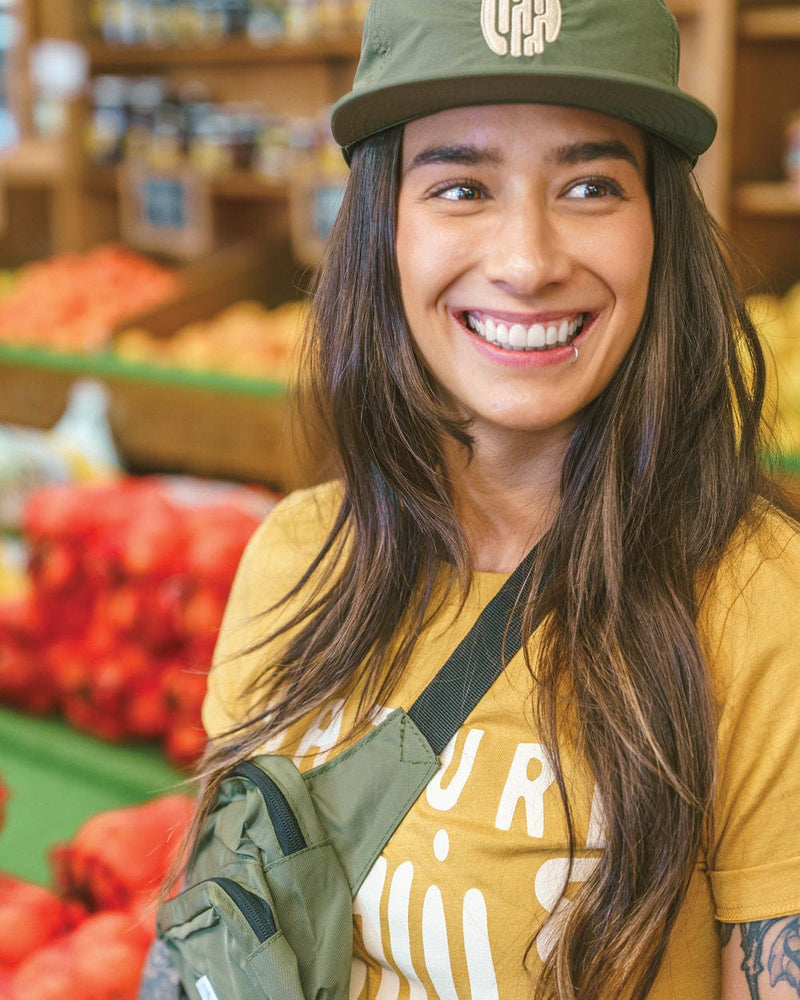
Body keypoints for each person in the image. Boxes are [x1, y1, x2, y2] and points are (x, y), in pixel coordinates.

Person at [188, 1, 800, 998]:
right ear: (385, 226)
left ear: (658, 230)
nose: (526, 259)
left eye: (592, 185)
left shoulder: (756, 609)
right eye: (461, 185)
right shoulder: (296, 558)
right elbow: (220, 949)